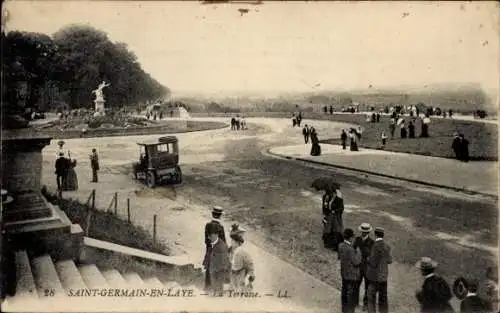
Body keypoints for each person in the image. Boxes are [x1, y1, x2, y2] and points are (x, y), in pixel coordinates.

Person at [366, 227, 392, 313]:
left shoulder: (375, 246)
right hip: (384, 276)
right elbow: (389, 260)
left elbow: (373, 263)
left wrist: (368, 259)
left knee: (371, 297)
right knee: (383, 299)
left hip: (375, 277)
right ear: (383, 235)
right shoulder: (387, 246)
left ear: (375, 234)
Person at [338, 228, 362, 313]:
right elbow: (356, 262)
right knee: (351, 296)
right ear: (351, 238)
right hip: (352, 276)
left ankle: (344, 310)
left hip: (344, 273)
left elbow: (339, 257)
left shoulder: (340, 245)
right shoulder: (350, 249)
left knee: (344, 293)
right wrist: (358, 252)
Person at [203, 206, 227, 291]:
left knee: (208, 277)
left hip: (209, 254)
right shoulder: (220, 228)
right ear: (220, 216)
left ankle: (207, 291)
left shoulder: (207, 225)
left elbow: (206, 241)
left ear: (212, 214)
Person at [353, 223, 375, 311]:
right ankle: (355, 302)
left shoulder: (372, 242)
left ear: (368, 232)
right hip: (358, 267)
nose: (363, 233)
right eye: (362, 232)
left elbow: (371, 256)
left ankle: (365, 304)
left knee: (367, 286)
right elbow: (353, 250)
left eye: (365, 232)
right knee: (356, 284)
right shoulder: (357, 239)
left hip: (367, 268)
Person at [206, 226, 231, 294]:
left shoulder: (222, 246)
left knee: (219, 292)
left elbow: (224, 262)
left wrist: (215, 270)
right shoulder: (213, 243)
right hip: (213, 271)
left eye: (210, 236)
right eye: (208, 236)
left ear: (216, 235)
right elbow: (210, 256)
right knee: (215, 291)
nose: (208, 238)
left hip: (219, 272)